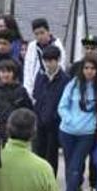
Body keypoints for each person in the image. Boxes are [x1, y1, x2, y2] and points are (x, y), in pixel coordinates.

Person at [58, 56, 97, 191]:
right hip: (68, 131)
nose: (89, 71)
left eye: (92, 68)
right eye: (86, 68)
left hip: (86, 134)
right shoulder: (73, 85)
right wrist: (69, 119)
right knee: (70, 165)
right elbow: (62, 106)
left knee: (76, 166)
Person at [32, 45, 70, 177]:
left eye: (51, 61)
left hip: (55, 125)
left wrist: (55, 117)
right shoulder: (40, 76)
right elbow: (36, 96)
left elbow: (64, 103)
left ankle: (49, 183)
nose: (48, 64)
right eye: (46, 61)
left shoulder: (65, 79)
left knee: (51, 157)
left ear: (58, 60)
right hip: (39, 123)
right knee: (37, 155)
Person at [0, 59, 34, 141]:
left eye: (8, 72)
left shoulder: (21, 91)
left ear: (13, 73)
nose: (5, 75)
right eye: (2, 72)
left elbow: (29, 110)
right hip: (1, 133)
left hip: (19, 133)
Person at [23, 17, 67, 101]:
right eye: (36, 34)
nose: (40, 36)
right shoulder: (32, 46)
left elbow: (60, 68)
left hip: (51, 90)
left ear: (48, 31)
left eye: (42, 33)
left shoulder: (58, 47)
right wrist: (28, 92)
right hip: (34, 91)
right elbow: (27, 70)